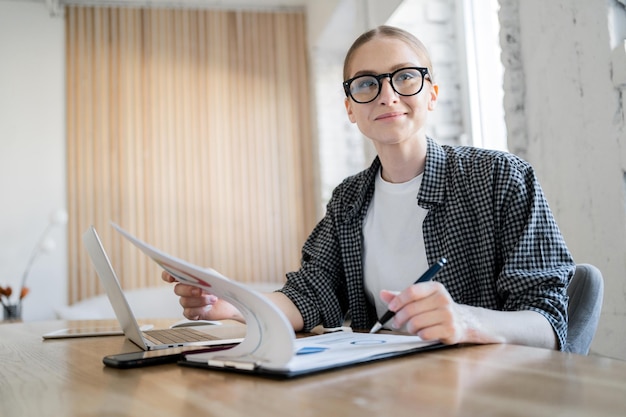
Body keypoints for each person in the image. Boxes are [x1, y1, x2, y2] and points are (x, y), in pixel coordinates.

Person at [163, 25, 575, 350]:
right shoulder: (349, 199)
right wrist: (232, 302)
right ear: (350, 108)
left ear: (431, 94)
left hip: (489, 390)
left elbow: (550, 322)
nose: (387, 95)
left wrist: (469, 320)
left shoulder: (501, 177)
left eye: (405, 77)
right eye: (366, 84)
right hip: (381, 386)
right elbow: (309, 296)